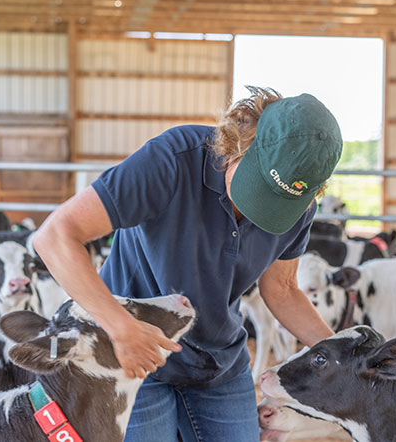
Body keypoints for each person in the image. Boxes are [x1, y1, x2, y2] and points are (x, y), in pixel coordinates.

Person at [33, 86, 343, 442]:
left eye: (279, 202)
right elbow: (55, 236)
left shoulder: (298, 208)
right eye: (257, 186)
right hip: (134, 355)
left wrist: (347, 358)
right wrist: (121, 327)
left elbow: (283, 289)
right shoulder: (172, 159)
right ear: (242, 139)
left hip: (218, 362)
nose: (260, 210)